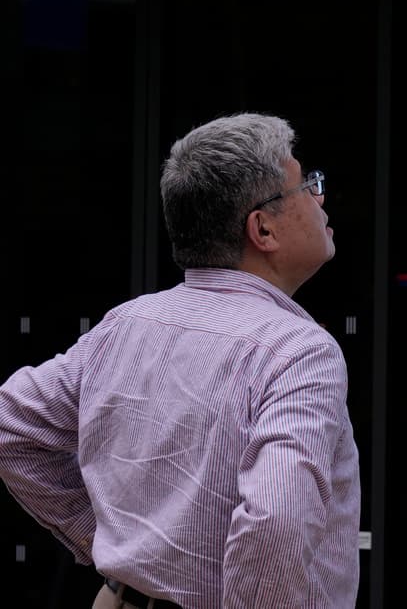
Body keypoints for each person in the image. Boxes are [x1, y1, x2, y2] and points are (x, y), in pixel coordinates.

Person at [0, 113, 360, 608]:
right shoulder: (298, 351)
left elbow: (12, 428)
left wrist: (111, 541)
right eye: (306, 186)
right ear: (263, 228)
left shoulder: (126, 324)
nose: (320, 198)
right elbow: (278, 519)